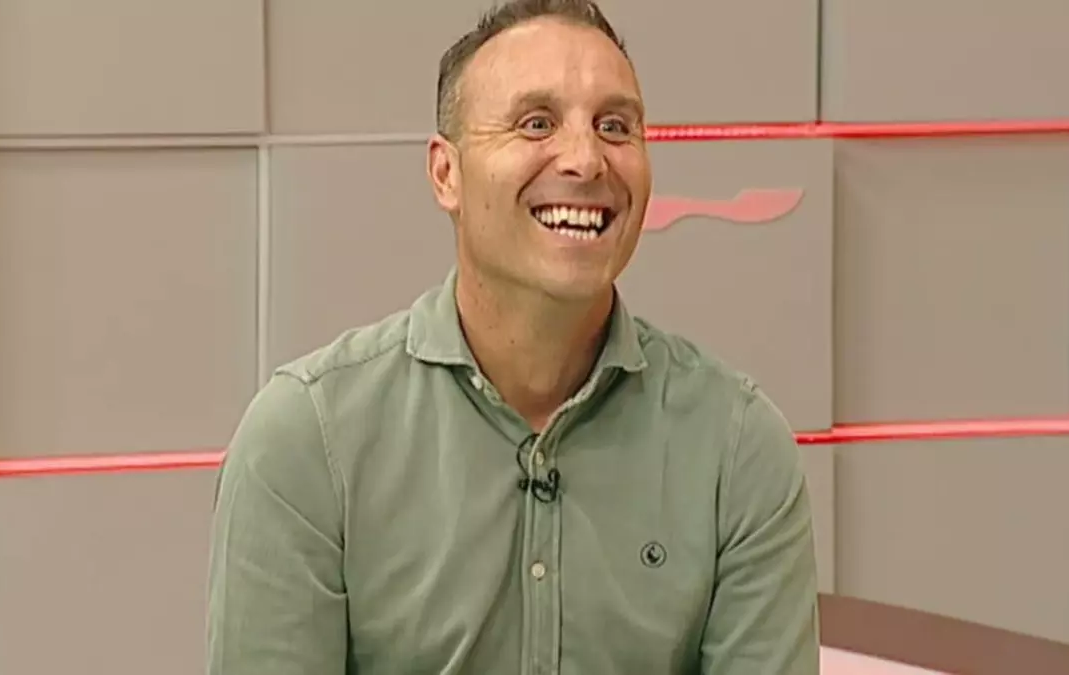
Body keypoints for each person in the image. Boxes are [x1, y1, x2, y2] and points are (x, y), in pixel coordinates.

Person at [205, 0, 820, 672]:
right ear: (446, 173)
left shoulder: (737, 448)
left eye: (615, 127)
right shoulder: (307, 440)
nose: (586, 160)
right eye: (537, 123)